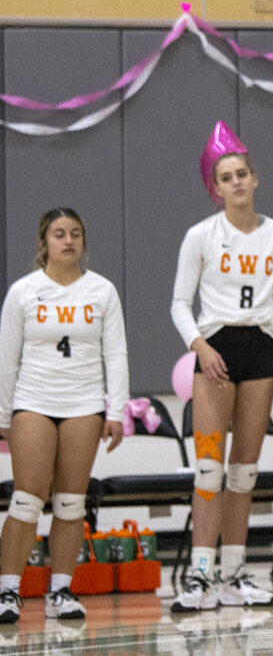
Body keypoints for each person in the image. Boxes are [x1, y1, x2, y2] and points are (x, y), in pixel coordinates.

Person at [170, 121, 273, 612]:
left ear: (255, 178)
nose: (237, 183)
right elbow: (180, 303)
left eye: (243, 173)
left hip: (261, 354)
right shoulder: (200, 236)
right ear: (215, 188)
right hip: (216, 355)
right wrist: (200, 347)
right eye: (226, 177)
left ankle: (234, 572)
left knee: (244, 472)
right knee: (209, 468)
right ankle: (200, 575)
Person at [0, 208, 128, 623]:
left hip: (83, 404)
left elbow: (116, 353)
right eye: (59, 234)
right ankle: (7, 592)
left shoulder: (102, 291)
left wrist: (117, 410)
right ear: (44, 243)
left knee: (71, 502)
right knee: (26, 499)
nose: (68, 240)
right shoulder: (23, 292)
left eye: (75, 233)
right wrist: (4, 414)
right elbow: (7, 358)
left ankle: (61, 591)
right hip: (33, 402)